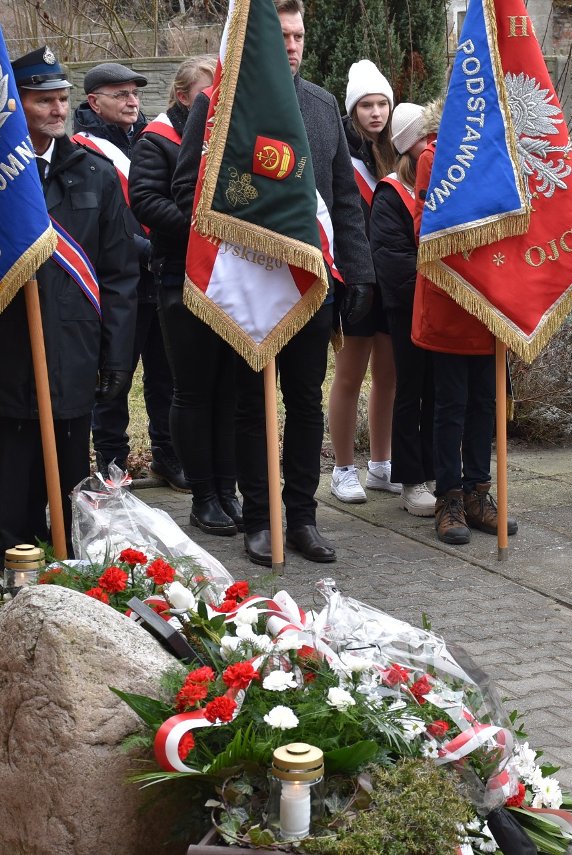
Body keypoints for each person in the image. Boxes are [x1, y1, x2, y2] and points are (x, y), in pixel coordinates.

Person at [174, 0, 377, 565]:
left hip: (310, 284)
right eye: (282, 35)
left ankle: (303, 517)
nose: (292, 45)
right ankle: (260, 520)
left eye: (299, 36)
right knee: (249, 406)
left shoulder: (320, 103)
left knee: (305, 404)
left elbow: (342, 198)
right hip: (245, 282)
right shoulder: (216, 106)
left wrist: (358, 273)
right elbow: (187, 189)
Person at [0, 46, 137, 573]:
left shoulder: (94, 173)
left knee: (66, 470)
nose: (58, 111)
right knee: (8, 475)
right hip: (2, 350)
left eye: (62, 99)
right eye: (43, 101)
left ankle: (62, 563)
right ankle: (10, 569)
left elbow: (120, 274)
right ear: (17, 105)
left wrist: (116, 357)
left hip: (74, 351)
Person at [130, 56, 241, 536]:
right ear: (182, 98)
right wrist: (208, 236)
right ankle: (203, 496)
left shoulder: (228, 137)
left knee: (230, 391)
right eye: (206, 95)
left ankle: (228, 487)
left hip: (232, 281)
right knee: (194, 391)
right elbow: (147, 201)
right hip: (181, 278)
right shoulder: (157, 140)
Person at [73, 62, 187, 491]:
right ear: (94, 101)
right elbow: (107, 221)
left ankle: (168, 455)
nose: (131, 100)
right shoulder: (82, 150)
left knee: (167, 375)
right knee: (114, 377)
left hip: (161, 278)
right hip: (118, 283)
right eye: (119, 93)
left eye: (135, 92)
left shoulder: (150, 140)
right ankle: (112, 464)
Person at [409, 114, 515, 546]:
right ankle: (448, 498)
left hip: (492, 298)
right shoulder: (433, 159)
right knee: (450, 406)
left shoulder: (504, 159)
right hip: (452, 300)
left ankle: (477, 493)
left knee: (484, 404)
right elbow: (424, 228)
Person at [328, 59, 401, 506]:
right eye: (367, 106)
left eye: (382, 104)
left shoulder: (399, 152)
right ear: (353, 111)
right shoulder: (344, 154)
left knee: (389, 376)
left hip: (392, 281)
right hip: (357, 280)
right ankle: (341, 468)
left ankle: (381, 464)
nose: (376, 113)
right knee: (350, 373)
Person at [369, 102, 438, 520]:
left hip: (445, 307)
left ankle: (445, 473)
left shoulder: (443, 183)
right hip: (411, 309)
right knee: (411, 391)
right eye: (426, 142)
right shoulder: (390, 194)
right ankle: (413, 479)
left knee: (442, 394)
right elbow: (394, 266)